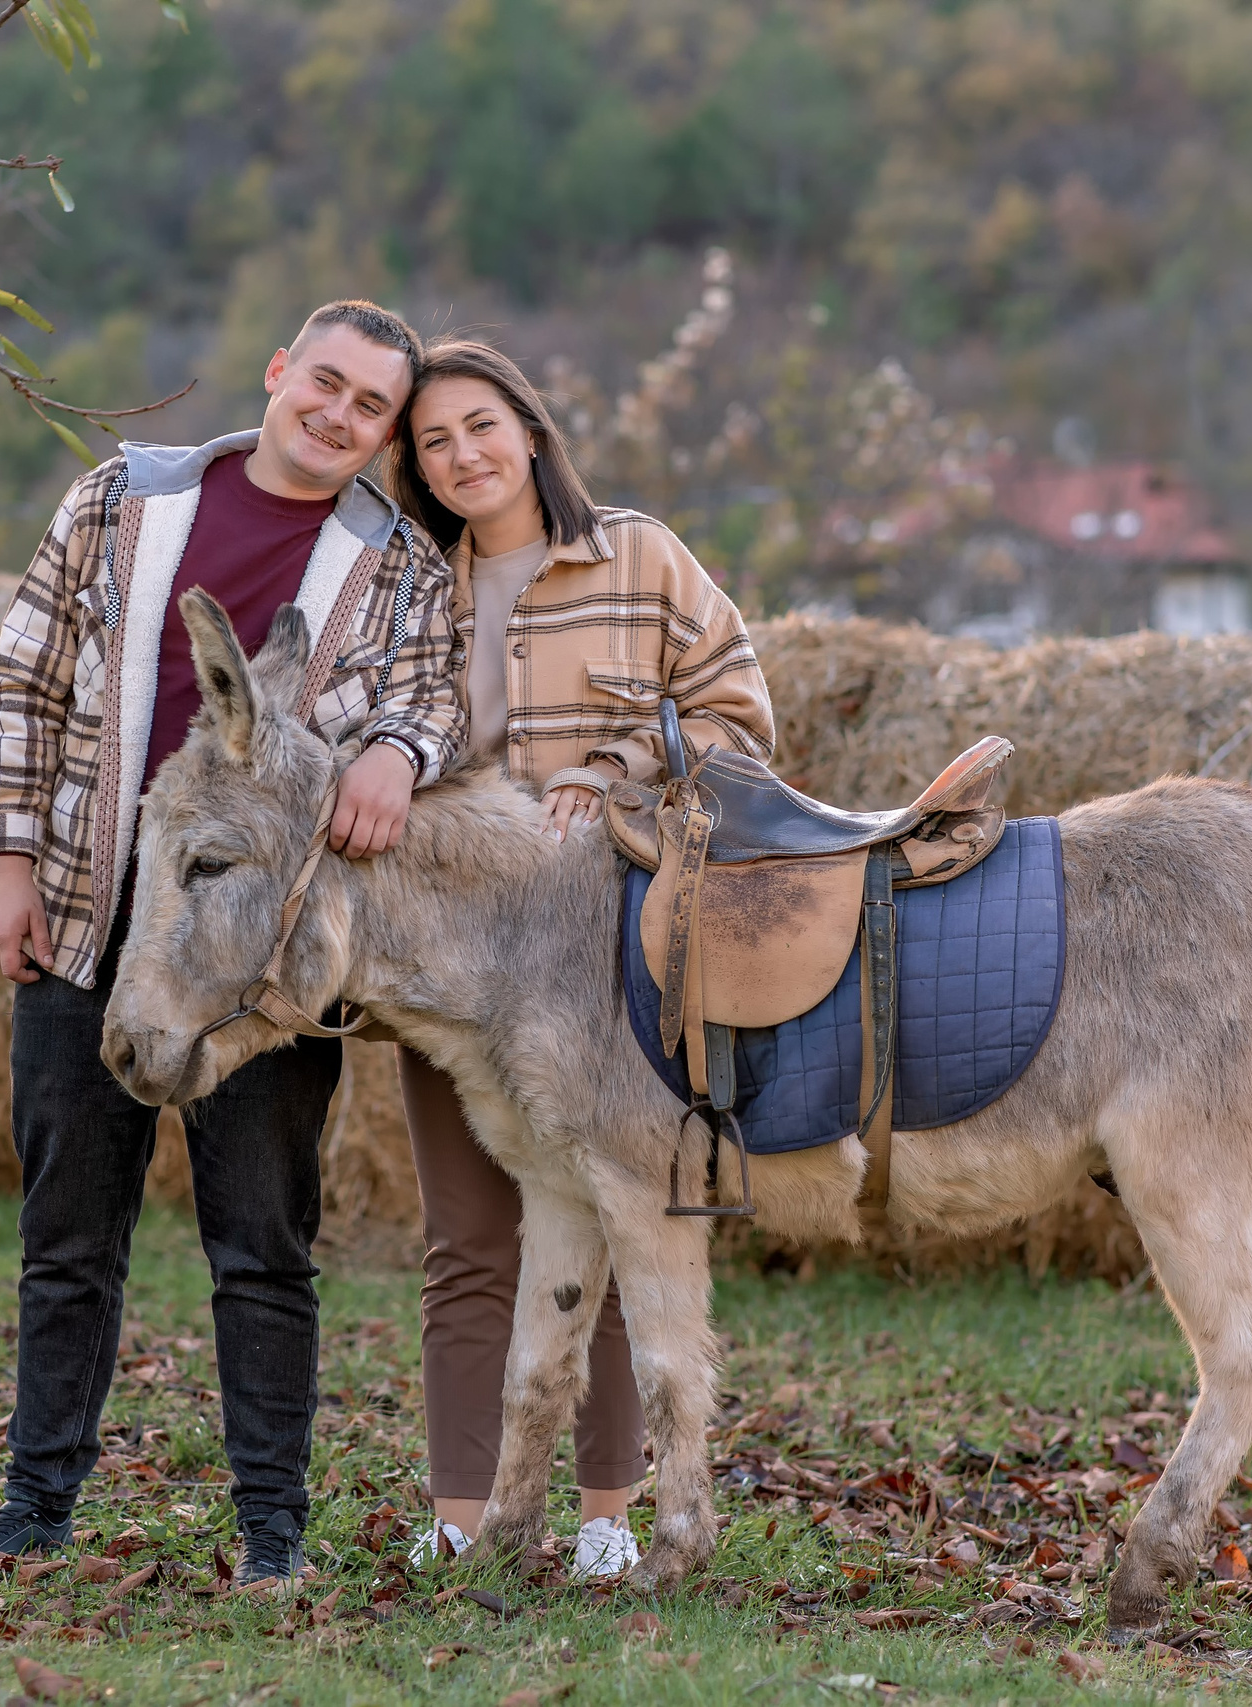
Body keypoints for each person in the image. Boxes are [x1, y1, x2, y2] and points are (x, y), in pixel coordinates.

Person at [0, 301, 466, 1584]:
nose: (337, 416)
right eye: (325, 384)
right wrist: (8, 865)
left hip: (261, 955)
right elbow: (23, 675)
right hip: (90, 909)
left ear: (385, 432)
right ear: (280, 372)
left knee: (263, 1245)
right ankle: (32, 1507)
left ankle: (271, 1537)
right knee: (67, 1234)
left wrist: (400, 753)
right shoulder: (124, 500)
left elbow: (432, 692)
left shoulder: (397, 563)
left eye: (370, 409)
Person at [384, 339, 774, 1579]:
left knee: (613, 1211)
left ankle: (608, 1515)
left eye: (481, 426)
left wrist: (608, 781)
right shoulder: (405, 586)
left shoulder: (638, 555)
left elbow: (738, 715)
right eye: (434, 441)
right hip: (463, 963)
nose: (462, 457)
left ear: (532, 429)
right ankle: (461, 1512)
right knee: (464, 1240)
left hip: (616, 955)